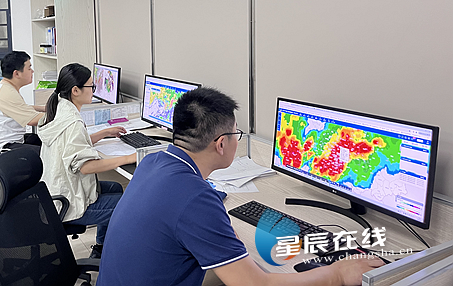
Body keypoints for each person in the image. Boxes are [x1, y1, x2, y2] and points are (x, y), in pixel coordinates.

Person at [97, 87, 384, 286]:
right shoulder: (195, 198)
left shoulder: (154, 161)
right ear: (221, 144)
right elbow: (257, 284)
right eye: (237, 133)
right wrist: (337, 274)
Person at [38, 63, 137, 259]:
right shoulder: (72, 121)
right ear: (75, 90)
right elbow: (86, 167)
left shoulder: (60, 107)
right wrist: (128, 158)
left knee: (115, 187)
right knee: (132, 203)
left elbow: (71, 145)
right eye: (92, 86)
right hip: (69, 203)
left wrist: (104, 133)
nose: (95, 91)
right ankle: (121, 257)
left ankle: (101, 247)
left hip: (56, 193)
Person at [0, 51, 45, 155]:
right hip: (4, 148)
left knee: (41, 140)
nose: (32, 71)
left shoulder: (5, 87)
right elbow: (33, 120)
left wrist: (44, 108)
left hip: (10, 141)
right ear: (16, 73)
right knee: (49, 154)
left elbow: (21, 108)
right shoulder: (7, 93)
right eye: (29, 68)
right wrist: (63, 115)